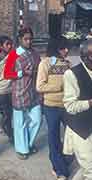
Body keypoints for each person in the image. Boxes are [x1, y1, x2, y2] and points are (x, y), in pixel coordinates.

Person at [4, 27, 42, 160]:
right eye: (26, 39)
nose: (29, 42)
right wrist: (22, 73)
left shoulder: (35, 53)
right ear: (20, 39)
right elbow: (7, 74)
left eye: (30, 39)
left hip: (34, 92)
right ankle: (22, 149)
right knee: (20, 123)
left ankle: (29, 143)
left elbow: (41, 69)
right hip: (19, 93)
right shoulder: (14, 54)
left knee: (37, 120)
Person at [36, 38, 71, 180]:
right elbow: (39, 86)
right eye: (63, 48)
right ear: (56, 49)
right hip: (51, 107)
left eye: (67, 48)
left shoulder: (68, 64)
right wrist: (59, 87)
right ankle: (59, 169)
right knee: (54, 138)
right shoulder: (45, 64)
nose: (67, 51)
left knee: (71, 137)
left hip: (67, 106)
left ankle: (63, 161)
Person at [63, 39, 92, 180]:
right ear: (84, 57)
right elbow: (70, 106)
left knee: (87, 168)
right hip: (81, 131)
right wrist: (89, 103)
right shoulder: (72, 74)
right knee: (90, 170)